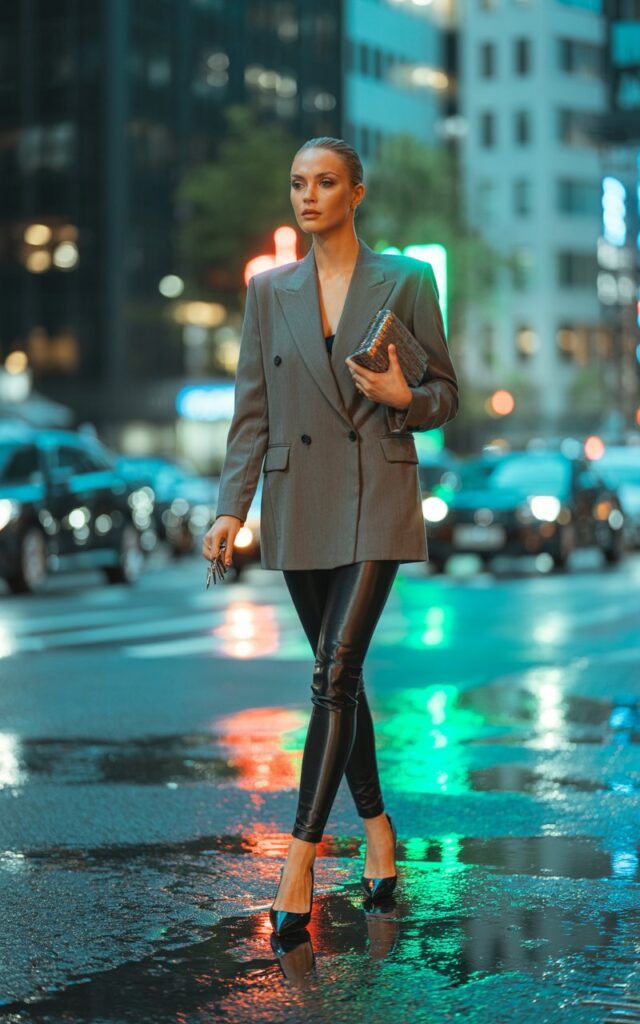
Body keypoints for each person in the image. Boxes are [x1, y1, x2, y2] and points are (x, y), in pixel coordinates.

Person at [202, 137, 459, 936]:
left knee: (335, 672)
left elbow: (446, 393)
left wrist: (405, 397)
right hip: (297, 498)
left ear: (357, 193)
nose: (307, 196)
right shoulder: (268, 291)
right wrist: (230, 508)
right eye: (297, 184)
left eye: (324, 183)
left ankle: (300, 858)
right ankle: (378, 829)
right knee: (336, 679)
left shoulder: (406, 280)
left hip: (377, 491)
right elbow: (251, 412)